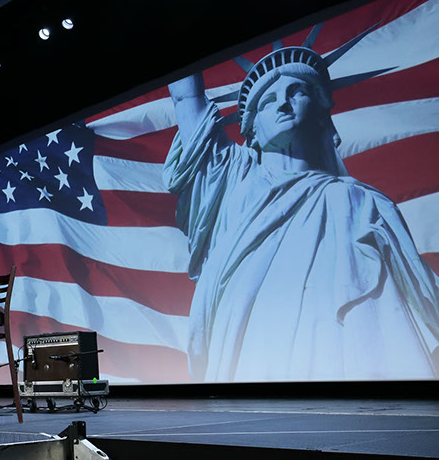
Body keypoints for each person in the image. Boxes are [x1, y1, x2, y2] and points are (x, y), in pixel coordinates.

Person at [163, 43, 439, 382]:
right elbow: (185, 98)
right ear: (252, 131)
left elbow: (420, 297)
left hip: (347, 354)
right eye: (268, 100)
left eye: (297, 92)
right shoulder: (232, 181)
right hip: (252, 353)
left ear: (321, 113)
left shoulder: (361, 202)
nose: (283, 103)